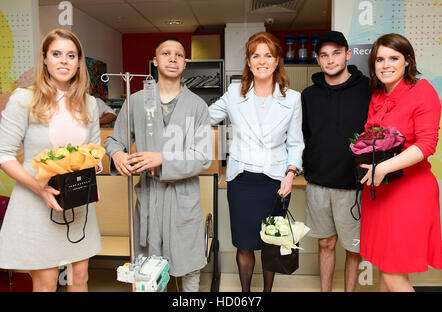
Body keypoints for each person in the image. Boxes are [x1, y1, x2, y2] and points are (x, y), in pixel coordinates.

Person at [0, 29, 102, 292]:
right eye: (56, 54)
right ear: (44, 59)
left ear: (78, 62)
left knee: (80, 279)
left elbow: (95, 150)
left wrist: (91, 170)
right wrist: (39, 188)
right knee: (46, 283)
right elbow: (3, 154)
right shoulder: (24, 98)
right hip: (35, 203)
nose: (64, 61)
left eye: (71, 55)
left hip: (77, 207)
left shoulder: (89, 103)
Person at [104, 37, 212, 292]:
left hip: (183, 198)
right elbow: (114, 140)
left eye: (179, 54)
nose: (172, 58)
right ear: (155, 61)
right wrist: (118, 155)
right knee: (147, 270)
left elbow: (202, 156)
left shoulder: (197, 106)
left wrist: (162, 159)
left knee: (189, 266)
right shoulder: (136, 102)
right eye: (166, 53)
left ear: (185, 63)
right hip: (150, 197)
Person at [208, 32, 304, 292]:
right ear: (249, 63)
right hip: (241, 181)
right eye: (256, 55)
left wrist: (291, 173)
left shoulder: (293, 99)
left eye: (268, 55)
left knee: (271, 243)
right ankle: (246, 294)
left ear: (276, 62)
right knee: (244, 244)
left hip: (275, 182)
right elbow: (204, 117)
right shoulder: (233, 94)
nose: (262, 61)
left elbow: (295, 143)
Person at [359, 33, 442, 292]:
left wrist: (382, 167)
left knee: (395, 275)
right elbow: (371, 138)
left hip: (409, 193)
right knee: (387, 266)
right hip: (380, 192)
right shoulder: (378, 96)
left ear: (407, 61)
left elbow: (426, 144)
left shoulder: (422, 91)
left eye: (393, 58)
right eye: (380, 59)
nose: (386, 65)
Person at [301, 31, 370, 292]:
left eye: (336, 53)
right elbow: (305, 136)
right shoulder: (308, 96)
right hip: (318, 184)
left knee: (353, 249)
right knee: (325, 244)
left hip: (353, 185)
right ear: (318, 60)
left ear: (348, 54)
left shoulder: (368, 90)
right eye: (324, 55)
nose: (330, 60)